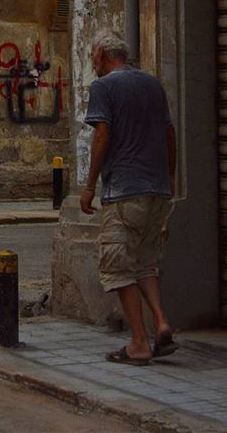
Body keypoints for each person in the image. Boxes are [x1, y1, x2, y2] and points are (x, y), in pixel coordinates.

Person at [80, 32, 178, 367]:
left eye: (94, 56)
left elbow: (102, 134)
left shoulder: (104, 88)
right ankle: (161, 322)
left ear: (106, 54)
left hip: (124, 191)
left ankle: (139, 343)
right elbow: (169, 133)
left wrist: (90, 185)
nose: (92, 63)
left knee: (119, 267)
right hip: (157, 192)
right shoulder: (152, 84)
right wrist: (169, 179)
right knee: (145, 262)